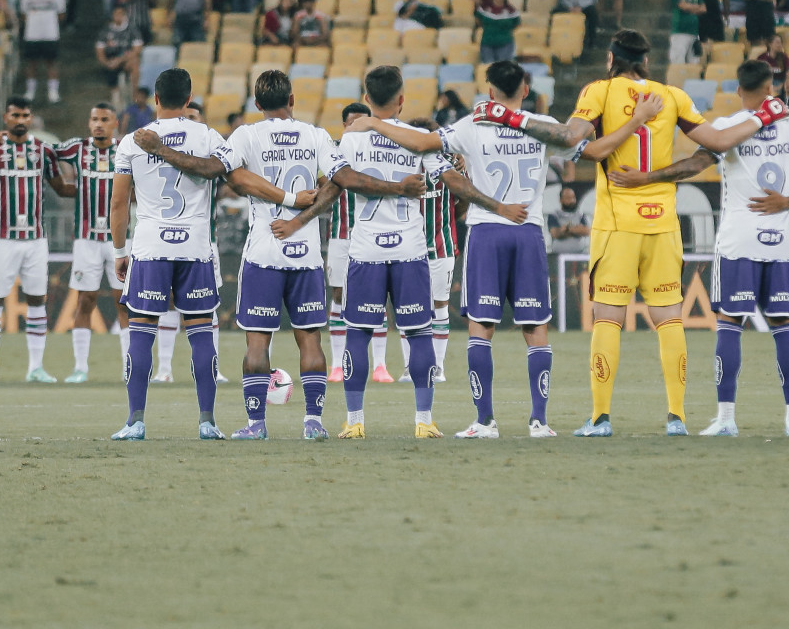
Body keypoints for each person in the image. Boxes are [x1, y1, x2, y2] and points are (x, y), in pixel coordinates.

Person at [607, 59, 789, 436]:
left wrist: (645, 178)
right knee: (785, 329)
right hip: (780, 241)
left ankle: (727, 419)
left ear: (738, 90)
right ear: (771, 90)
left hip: (738, 240)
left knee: (730, 325)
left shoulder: (728, 128)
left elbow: (691, 166)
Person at [558, 30, 784, 436]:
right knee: (669, 319)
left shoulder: (598, 92)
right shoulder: (673, 96)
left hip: (616, 226)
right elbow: (716, 143)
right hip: (663, 222)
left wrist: (631, 123)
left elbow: (582, 146)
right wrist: (763, 116)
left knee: (608, 318)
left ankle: (600, 418)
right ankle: (677, 417)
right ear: (646, 61)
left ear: (612, 60)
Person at [347, 61, 569, 437]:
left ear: (490, 92)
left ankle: (484, 422)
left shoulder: (471, 126)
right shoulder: (539, 126)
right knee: (535, 329)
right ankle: (538, 422)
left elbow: (415, 145)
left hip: (482, 232)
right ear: (526, 90)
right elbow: (577, 139)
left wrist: (371, 122)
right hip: (526, 229)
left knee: (479, 328)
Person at [274, 66, 444, 438]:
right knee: (418, 334)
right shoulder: (418, 137)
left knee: (358, 334)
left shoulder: (349, 139)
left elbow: (335, 187)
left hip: (365, 250)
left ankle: (354, 422)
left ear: (366, 99)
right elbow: (448, 176)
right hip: (410, 250)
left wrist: (299, 220)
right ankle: (424, 420)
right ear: (402, 99)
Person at [212, 71, 354, 440]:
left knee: (257, 341)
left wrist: (283, 203)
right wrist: (303, 216)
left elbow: (233, 176)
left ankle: (256, 425)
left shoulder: (247, 134)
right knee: (310, 339)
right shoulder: (315, 134)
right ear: (292, 100)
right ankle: (314, 422)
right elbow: (340, 179)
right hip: (306, 252)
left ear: (257, 104)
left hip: (263, 250)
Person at [109, 69, 237, 440]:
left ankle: (135, 421)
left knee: (141, 333)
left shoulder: (133, 141)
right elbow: (228, 171)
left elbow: (119, 203)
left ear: (156, 99)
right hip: (195, 247)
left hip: (150, 247)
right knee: (200, 334)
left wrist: (121, 250)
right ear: (189, 97)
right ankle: (208, 421)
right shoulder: (208, 135)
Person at [0, 97, 76, 384]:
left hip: (35, 239)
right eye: (15, 115)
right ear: (6, 118)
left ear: (30, 119)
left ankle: (35, 367)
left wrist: (94, 190)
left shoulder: (43, 151)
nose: (21, 120)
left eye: (25, 115)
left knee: (36, 300)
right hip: (2, 238)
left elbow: (58, 186)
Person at [47, 104, 129, 385]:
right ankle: (80, 368)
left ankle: (128, 367)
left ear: (115, 123)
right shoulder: (76, 149)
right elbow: (45, 152)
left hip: (119, 240)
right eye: (94, 119)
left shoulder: (126, 149)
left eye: (105, 120)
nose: (99, 125)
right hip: (86, 240)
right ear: (88, 122)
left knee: (124, 303)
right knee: (85, 300)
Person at [16, 0, 67, 103]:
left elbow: (61, 16)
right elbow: (23, 16)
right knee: (32, 64)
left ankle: (53, 92)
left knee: (51, 63)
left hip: (50, 35)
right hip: (32, 35)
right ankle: (30, 92)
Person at [95, 6, 143, 106]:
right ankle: (114, 92)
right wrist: (106, 62)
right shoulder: (106, 31)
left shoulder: (132, 29)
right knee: (109, 65)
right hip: (111, 59)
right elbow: (99, 51)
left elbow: (137, 49)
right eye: (116, 14)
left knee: (135, 62)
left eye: (121, 14)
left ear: (125, 16)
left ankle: (135, 94)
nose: (118, 17)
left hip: (126, 59)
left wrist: (120, 60)